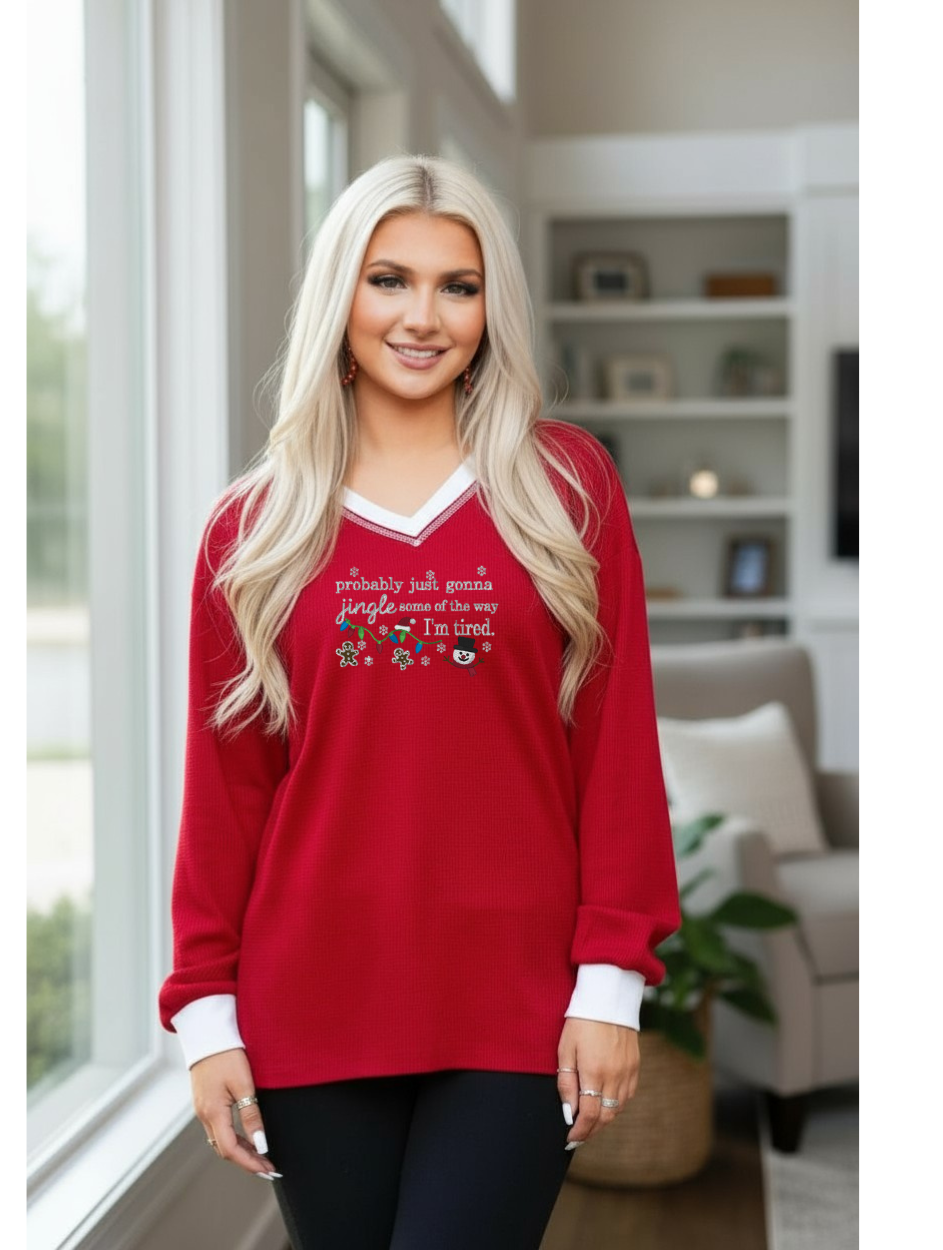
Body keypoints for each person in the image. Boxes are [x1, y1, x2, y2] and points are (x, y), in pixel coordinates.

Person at [158, 154, 682, 1250]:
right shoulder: (250, 529)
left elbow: (617, 750)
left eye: (458, 285)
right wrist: (207, 1017)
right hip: (308, 1007)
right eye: (388, 278)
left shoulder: (565, 489)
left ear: (493, 309)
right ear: (339, 292)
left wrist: (611, 981)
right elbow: (229, 790)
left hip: (520, 1008)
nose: (422, 316)